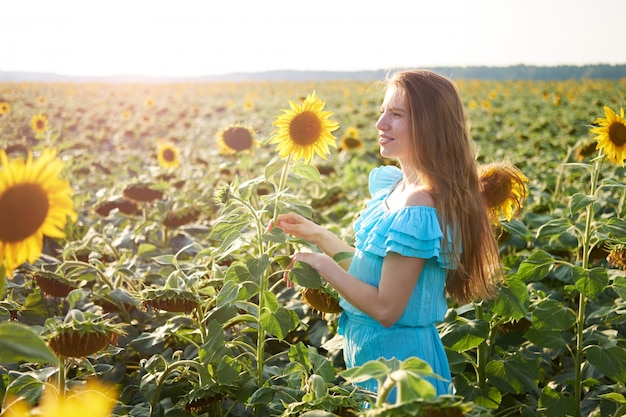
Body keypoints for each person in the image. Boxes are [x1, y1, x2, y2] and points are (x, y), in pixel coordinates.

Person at [274, 69, 504, 399]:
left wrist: (323, 266)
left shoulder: (419, 204)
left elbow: (386, 308)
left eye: (395, 115)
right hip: (375, 365)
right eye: (382, 112)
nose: (380, 124)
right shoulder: (396, 187)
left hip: (402, 372)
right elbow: (374, 272)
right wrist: (316, 235)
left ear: (430, 125)